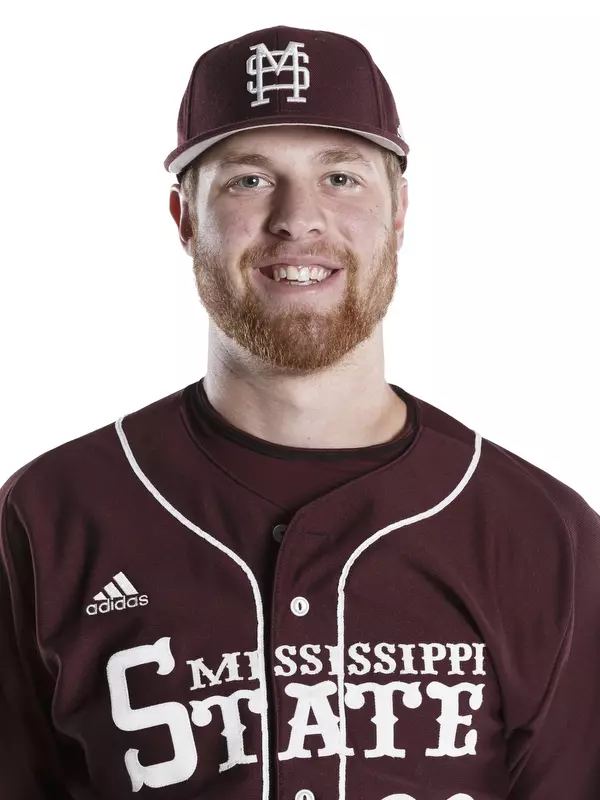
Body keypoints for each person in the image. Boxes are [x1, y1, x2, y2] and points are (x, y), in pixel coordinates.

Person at [1, 23, 599, 800]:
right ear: (184, 219)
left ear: (400, 211)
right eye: (249, 180)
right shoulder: (50, 517)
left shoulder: (542, 534)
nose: (298, 218)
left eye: (341, 177)